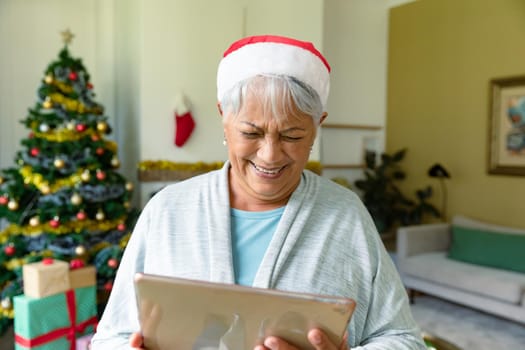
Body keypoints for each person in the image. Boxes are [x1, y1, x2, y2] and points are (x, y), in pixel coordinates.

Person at [91, 34, 426, 350]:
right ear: (224, 117)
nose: (270, 155)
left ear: (317, 127)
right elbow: (109, 338)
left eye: (292, 136)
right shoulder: (167, 210)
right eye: (251, 132)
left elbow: (405, 340)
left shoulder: (345, 215)